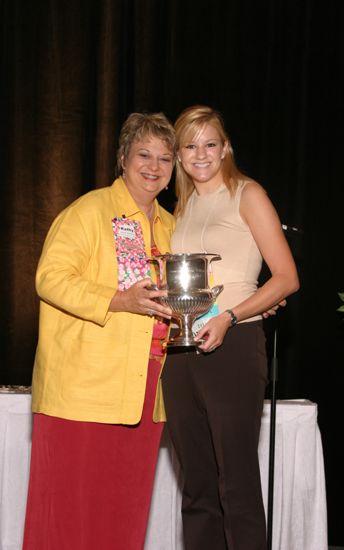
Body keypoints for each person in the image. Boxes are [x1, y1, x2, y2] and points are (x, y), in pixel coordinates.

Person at [22, 112, 177, 550]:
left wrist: (244, 308)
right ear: (122, 157)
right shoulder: (88, 211)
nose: (153, 166)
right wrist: (117, 299)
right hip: (83, 392)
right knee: (68, 517)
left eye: (165, 158)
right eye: (144, 154)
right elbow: (49, 278)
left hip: (145, 394)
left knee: (124, 515)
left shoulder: (171, 227)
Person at [161, 105, 300, 550]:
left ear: (225, 149)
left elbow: (286, 278)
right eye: (190, 145)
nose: (200, 154)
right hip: (181, 350)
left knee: (235, 482)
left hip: (234, 344)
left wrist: (232, 315)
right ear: (179, 154)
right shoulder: (183, 207)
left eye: (210, 143)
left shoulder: (247, 194)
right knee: (196, 485)